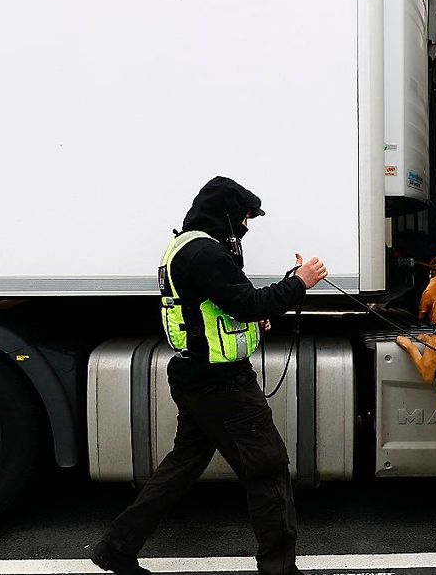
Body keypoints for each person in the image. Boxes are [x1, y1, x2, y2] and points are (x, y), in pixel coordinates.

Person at [91, 176, 328, 575]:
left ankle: (117, 547)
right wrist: (299, 282)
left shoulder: (184, 247)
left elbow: (218, 309)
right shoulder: (206, 253)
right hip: (222, 384)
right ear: (227, 214)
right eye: (246, 218)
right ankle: (280, 571)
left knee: (183, 465)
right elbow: (248, 302)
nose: (247, 227)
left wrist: (261, 317)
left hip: (196, 376)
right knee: (268, 467)